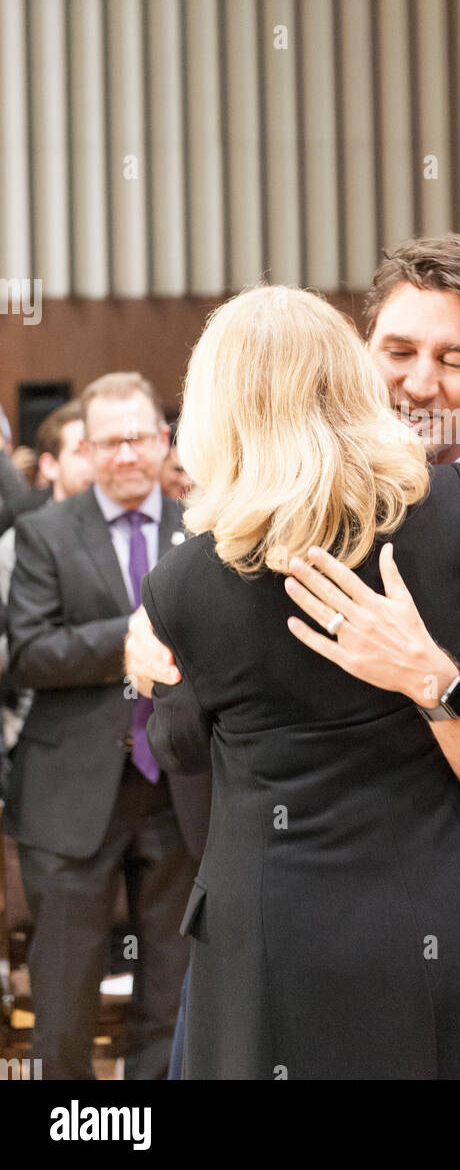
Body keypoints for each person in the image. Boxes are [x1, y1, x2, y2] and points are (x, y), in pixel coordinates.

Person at [140, 284, 460, 1079]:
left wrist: (158, 672)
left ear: (213, 404)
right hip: (440, 909)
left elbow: (180, 749)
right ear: (352, 378)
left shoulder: (182, 582)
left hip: (272, 929)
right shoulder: (456, 513)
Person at [4, 373, 211, 1080]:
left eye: (138, 438)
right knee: (62, 998)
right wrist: (123, 639)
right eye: (108, 442)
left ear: (163, 440)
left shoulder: (203, 528)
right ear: (85, 449)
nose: (125, 455)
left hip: (178, 789)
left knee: (171, 993)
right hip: (69, 795)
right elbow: (28, 654)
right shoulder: (43, 534)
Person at [0, 402, 93, 775]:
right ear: (50, 465)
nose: (95, 462)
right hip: (39, 743)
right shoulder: (14, 546)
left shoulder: (132, 534)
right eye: (81, 450)